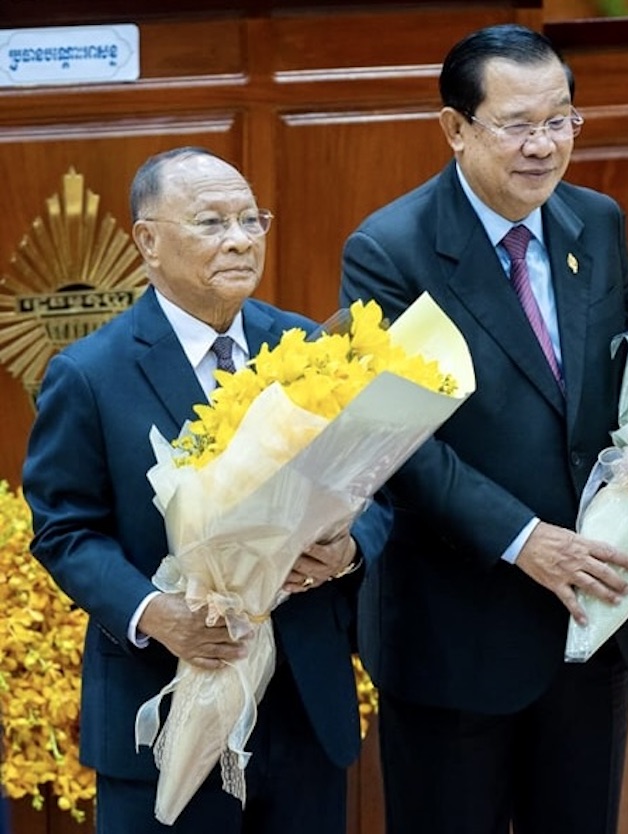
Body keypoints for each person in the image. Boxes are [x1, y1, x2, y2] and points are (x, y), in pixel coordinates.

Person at [340, 24, 628, 834]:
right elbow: (396, 440)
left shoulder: (595, 223)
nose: (544, 146)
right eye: (517, 124)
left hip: (595, 618)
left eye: (561, 120)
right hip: (457, 631)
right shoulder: (390, 250)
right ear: (456, 128)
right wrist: (521, 536)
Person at [22, 146, 391, 834]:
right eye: (213, 222)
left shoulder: (310, 346)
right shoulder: (90, 373)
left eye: (252, 220)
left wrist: (348, 550)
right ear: (148, 241)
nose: (240, 239)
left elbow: (380, 491)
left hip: (304, 704)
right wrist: (153, 611)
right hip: (167, 698)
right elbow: (65, 529)